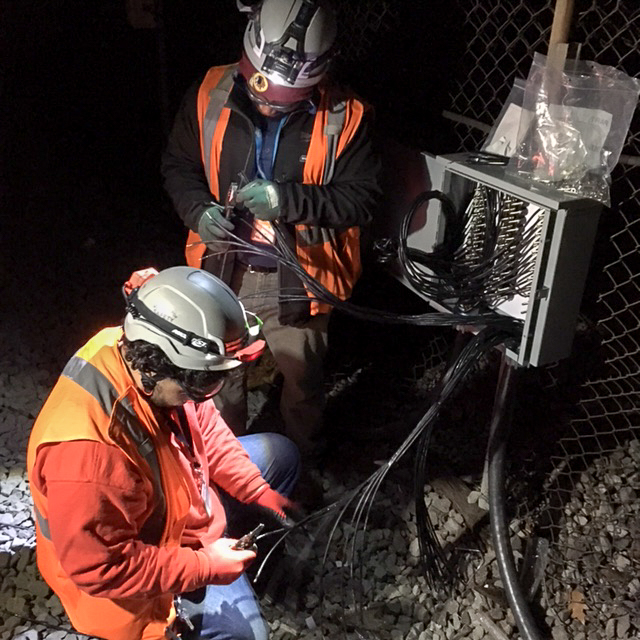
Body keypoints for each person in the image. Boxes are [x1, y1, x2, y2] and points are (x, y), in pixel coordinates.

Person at [161, 0, 381, 464]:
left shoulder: (348, 116)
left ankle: (299, 467)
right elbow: (179, 165)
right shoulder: (209, 93)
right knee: (218, 378)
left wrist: (289, 200)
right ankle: (225, 468)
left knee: (303, 383)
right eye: (261, 95)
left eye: (282, 102)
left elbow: (363, 199)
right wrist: (198, 210)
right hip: (222, 271)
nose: (267, 106)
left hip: (301, 280)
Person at [27, 266, 300, 640]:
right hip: (137, 583)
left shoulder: (142, 355)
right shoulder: (89, 457)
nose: (207, 395)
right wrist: (205, 566)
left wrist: (256, 489)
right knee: (248, 636)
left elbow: (201, 423)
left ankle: (240, 565)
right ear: (156, 367)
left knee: (279, 455)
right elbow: (101, 567)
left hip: (175, 510)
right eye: (203, 383)